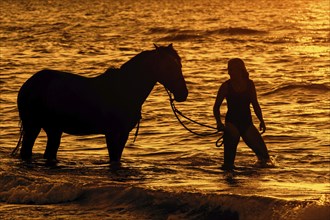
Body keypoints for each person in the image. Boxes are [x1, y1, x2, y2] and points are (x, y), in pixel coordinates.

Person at [213, 58, 271, 170]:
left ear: (240, 70)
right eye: (228, 69)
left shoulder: (249, 85)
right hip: (232, 124)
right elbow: (216, 107)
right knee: (228, 165)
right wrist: (219, 123)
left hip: (247, 124)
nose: (229, 72)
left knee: (265, 158)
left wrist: (261, 120)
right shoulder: (226, 86)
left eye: (231, 69)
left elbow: (255, 104)